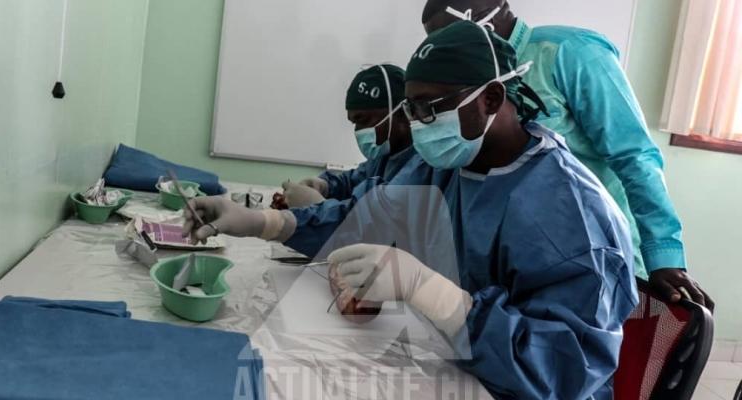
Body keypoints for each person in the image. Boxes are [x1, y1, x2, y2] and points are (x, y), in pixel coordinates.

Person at [183, 22, 638, 399]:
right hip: (460, 362)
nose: (418, 125)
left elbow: (566, 373)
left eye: (429, 108)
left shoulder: (570, 213)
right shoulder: (448, 164)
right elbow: (366, 216)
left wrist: (436, 295)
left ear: (491, 99)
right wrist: (265, 221)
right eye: (412, 109)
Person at [420, 0, 713, 309]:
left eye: (447, 39)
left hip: (592, 250)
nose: (444, 51)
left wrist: (663, 255)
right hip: (522, 252)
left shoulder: (570, 53)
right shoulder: (470, 84)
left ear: (484, 23)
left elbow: (635, 156)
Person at [281, 65, 416, 208]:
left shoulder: (422, 168)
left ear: (402, 113)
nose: (359, 131)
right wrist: (326, 186)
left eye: (363, 120)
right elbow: (352, 182)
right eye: (355, 123)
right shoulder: (383, 158)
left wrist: (320, 207)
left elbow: (372, 221)